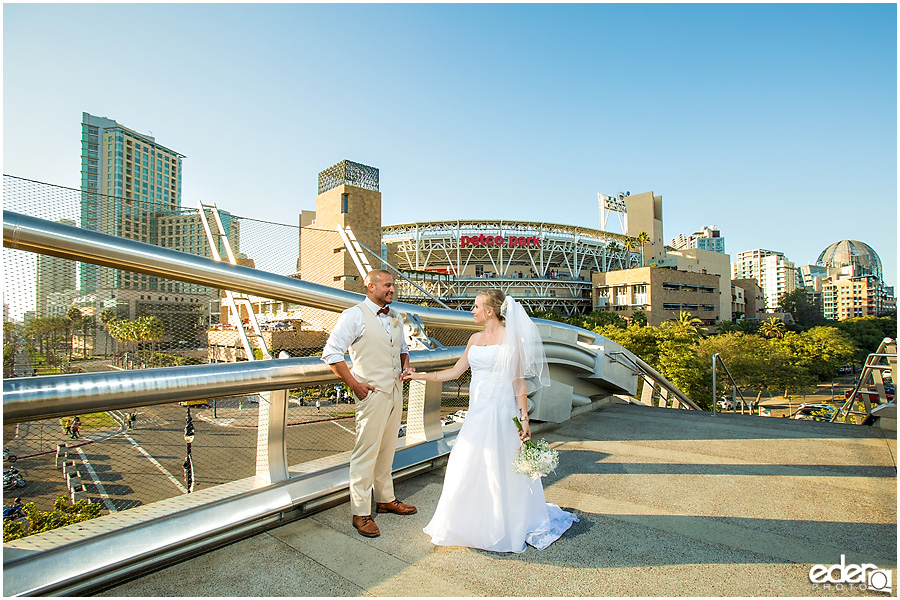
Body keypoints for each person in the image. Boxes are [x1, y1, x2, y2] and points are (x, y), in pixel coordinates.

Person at [405, 290, 578, 553]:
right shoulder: (474, 338)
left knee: (502, 466)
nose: (472, 311)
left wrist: (524, 417)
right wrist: (418, 376)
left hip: (502, 412)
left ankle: (504, 524)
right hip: (477, 413)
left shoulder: (512, 339)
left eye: (475, 307)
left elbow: (518, 382)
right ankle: (467, 523)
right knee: (467, 463)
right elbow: (454, 372)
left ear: (489, 311)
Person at [322, 270, 417, 538]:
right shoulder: (354, 315)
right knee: (365, 454)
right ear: (370, 285)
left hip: (395, 391)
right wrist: (354, 384)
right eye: (387, 285)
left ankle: (386, 499)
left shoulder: (395, 316)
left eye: (393, 286)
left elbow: (402, 349)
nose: (392, 290)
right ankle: (361, 512)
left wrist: (405, 365)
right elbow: (331, 353)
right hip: (371, 394)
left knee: (388, 449)